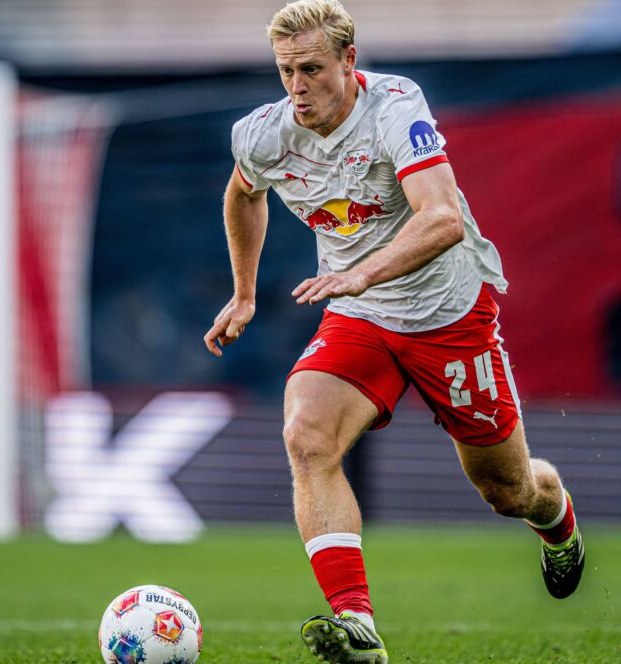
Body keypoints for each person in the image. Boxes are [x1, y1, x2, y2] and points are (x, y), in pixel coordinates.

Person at [203, 1, 585, 661]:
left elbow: (443, 219)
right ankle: (358, 626)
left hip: (448, 316)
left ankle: (558, 521)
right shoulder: (264, 134)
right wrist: (244, 293)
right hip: (360, 317)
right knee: (306, 435)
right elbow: (243, 193)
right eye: (286, 70)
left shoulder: (396, 108)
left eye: (311, 69)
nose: (297, 86)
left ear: (349, 60)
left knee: (507, 491)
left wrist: (361, 273)